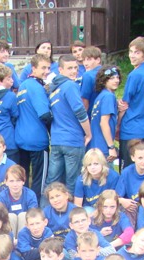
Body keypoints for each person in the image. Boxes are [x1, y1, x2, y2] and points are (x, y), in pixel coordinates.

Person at [45, 54, 92, 193]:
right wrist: (88, 134)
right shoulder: (70, 85)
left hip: (57, 140)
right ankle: (71, 206)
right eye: (69, 68)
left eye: (76, 68)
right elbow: (80, 111)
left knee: (52, 181)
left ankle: (46, 205)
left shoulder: (53, 89)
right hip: (73, 140)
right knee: (72, 182)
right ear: (60, 69)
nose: (74, 71)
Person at [16, 53, 52, 198]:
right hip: (37, 140)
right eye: (43, 68)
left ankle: (24, 204)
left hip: (21, 138)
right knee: (39, 180)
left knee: (23, 178)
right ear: (33, 68)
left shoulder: (23, 85)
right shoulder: (36, 87)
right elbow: (44, 114)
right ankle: (36, 206)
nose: (46, 71)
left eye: (48, 68)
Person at [117, 37, 144, 169]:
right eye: (131, 51)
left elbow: (124, 104)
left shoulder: (135, 75)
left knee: (128, 170)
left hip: (131, 129)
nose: (132, 55)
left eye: (137, 52)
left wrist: (117, 125)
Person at [80, 46, 103, 114]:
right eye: (84, 60)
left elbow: (84, 100)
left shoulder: (88, 75)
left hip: (93, 114)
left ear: (98, 60)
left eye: (89, 59)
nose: (85, 63)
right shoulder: (108, 72)